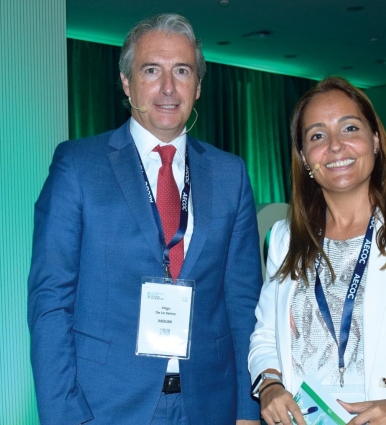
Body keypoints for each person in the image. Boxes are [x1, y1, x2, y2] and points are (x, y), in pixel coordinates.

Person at [28, 14, 262, 425]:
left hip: (210, 405)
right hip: (105, 406)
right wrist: (65, 415)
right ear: (126, 82)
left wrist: (247, 409)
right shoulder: (78, 166)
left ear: (199, 86)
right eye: (152, 70)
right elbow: (51, 304)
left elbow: (243, 304)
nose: (168, 88)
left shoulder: (231, 174)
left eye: (182, 71)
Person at [248, 77, 386, 425]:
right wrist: (269, 384)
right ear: (305, 158)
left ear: (374, 141)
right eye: (317, 136)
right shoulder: (285, 237)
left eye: (349, 128)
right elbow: (266, 333)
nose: (336, 146)